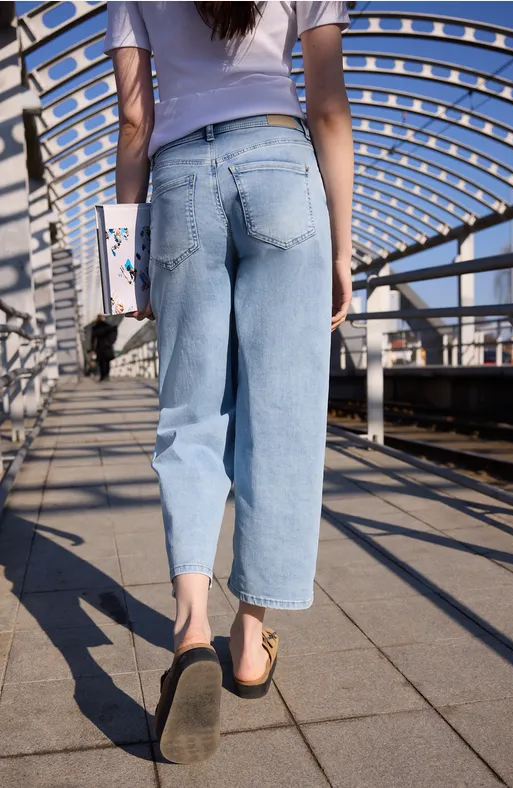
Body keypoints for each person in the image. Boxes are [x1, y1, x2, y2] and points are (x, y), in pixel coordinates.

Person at [105, 0, 353, 763]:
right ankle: (249, 640)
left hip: (181, 184)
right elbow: (327, 109)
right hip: (282, 169)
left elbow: (133, 123)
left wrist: (125, 270)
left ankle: (188, 630)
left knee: (189, 414)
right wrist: (342, 250)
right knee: (281, 416)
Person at [90, 314, 118, 381]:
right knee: (107, 362)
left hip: (99, 346)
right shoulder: (108, 326)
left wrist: (92, 348)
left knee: (101, 362)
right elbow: (113, 333)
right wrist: (110, 342)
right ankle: (106, 376)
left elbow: (93, 339)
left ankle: (103, 376)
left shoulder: (95, 327)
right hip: (107, 346)